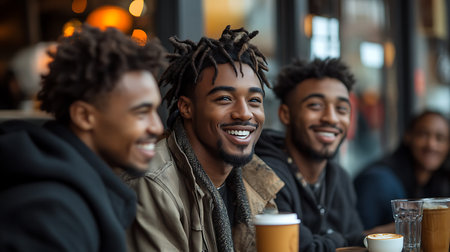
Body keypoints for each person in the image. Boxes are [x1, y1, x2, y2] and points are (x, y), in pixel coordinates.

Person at [0, 24, 165, 251]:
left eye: (156, 111)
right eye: (141, 113)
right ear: (84, 116)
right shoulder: (51, 215)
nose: (157, 127)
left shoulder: (77, 194)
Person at [125, 25, 284, 252]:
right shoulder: (153, 185)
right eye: (224, 99)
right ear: (186, 108)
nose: (245, 113)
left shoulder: (256, 180)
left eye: (255, 101)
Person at [255, 58, 365, 251]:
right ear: (285, 114)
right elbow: (299, 248)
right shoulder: (265, 173)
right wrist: (342, 241)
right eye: (315, 105)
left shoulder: (339, 177)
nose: (331, 118)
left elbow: (356, 239)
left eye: (341, 109)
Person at [354, 110, 450, 233]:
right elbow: (355, 239)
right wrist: (412, 226)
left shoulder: (440, 181)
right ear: (408, 136)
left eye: (440, 138)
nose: (431, 145)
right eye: (423, 134)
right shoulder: (378, 181)